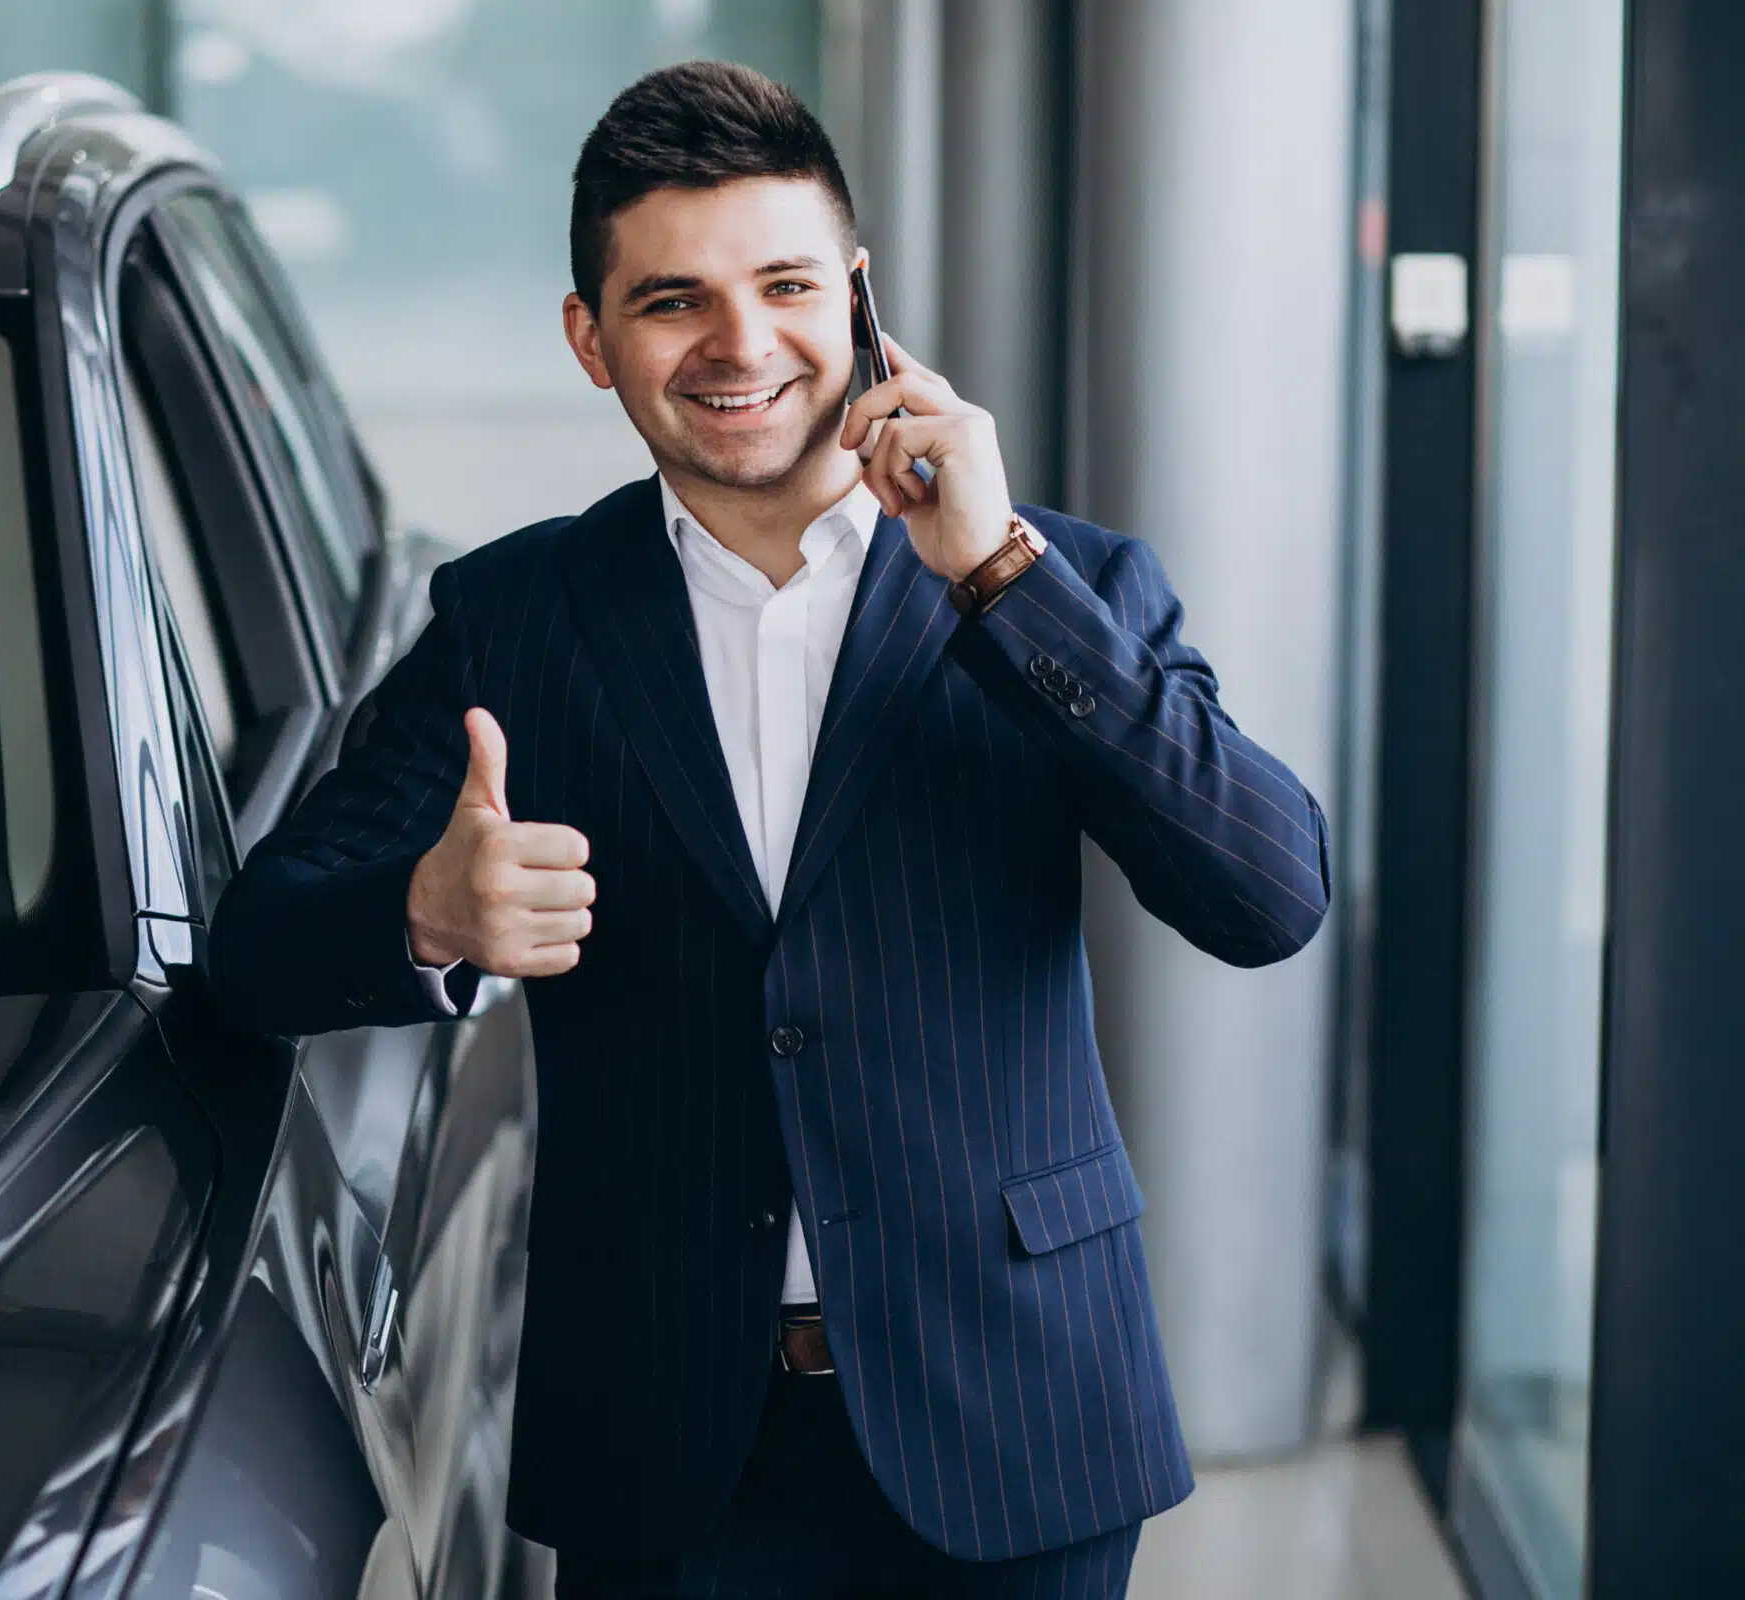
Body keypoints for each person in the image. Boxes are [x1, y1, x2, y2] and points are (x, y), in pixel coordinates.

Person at [209, 60, 1330, 1599]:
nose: (742, 345)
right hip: (669, 1442)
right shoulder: (514, 619)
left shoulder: (1060, 584)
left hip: (1016, 1418)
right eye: (673, 302)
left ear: (860, 297)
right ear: (590, 342)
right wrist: (429, 913)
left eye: (787, 284)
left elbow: (1270, 893)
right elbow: (261, 946)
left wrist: (997, 572)